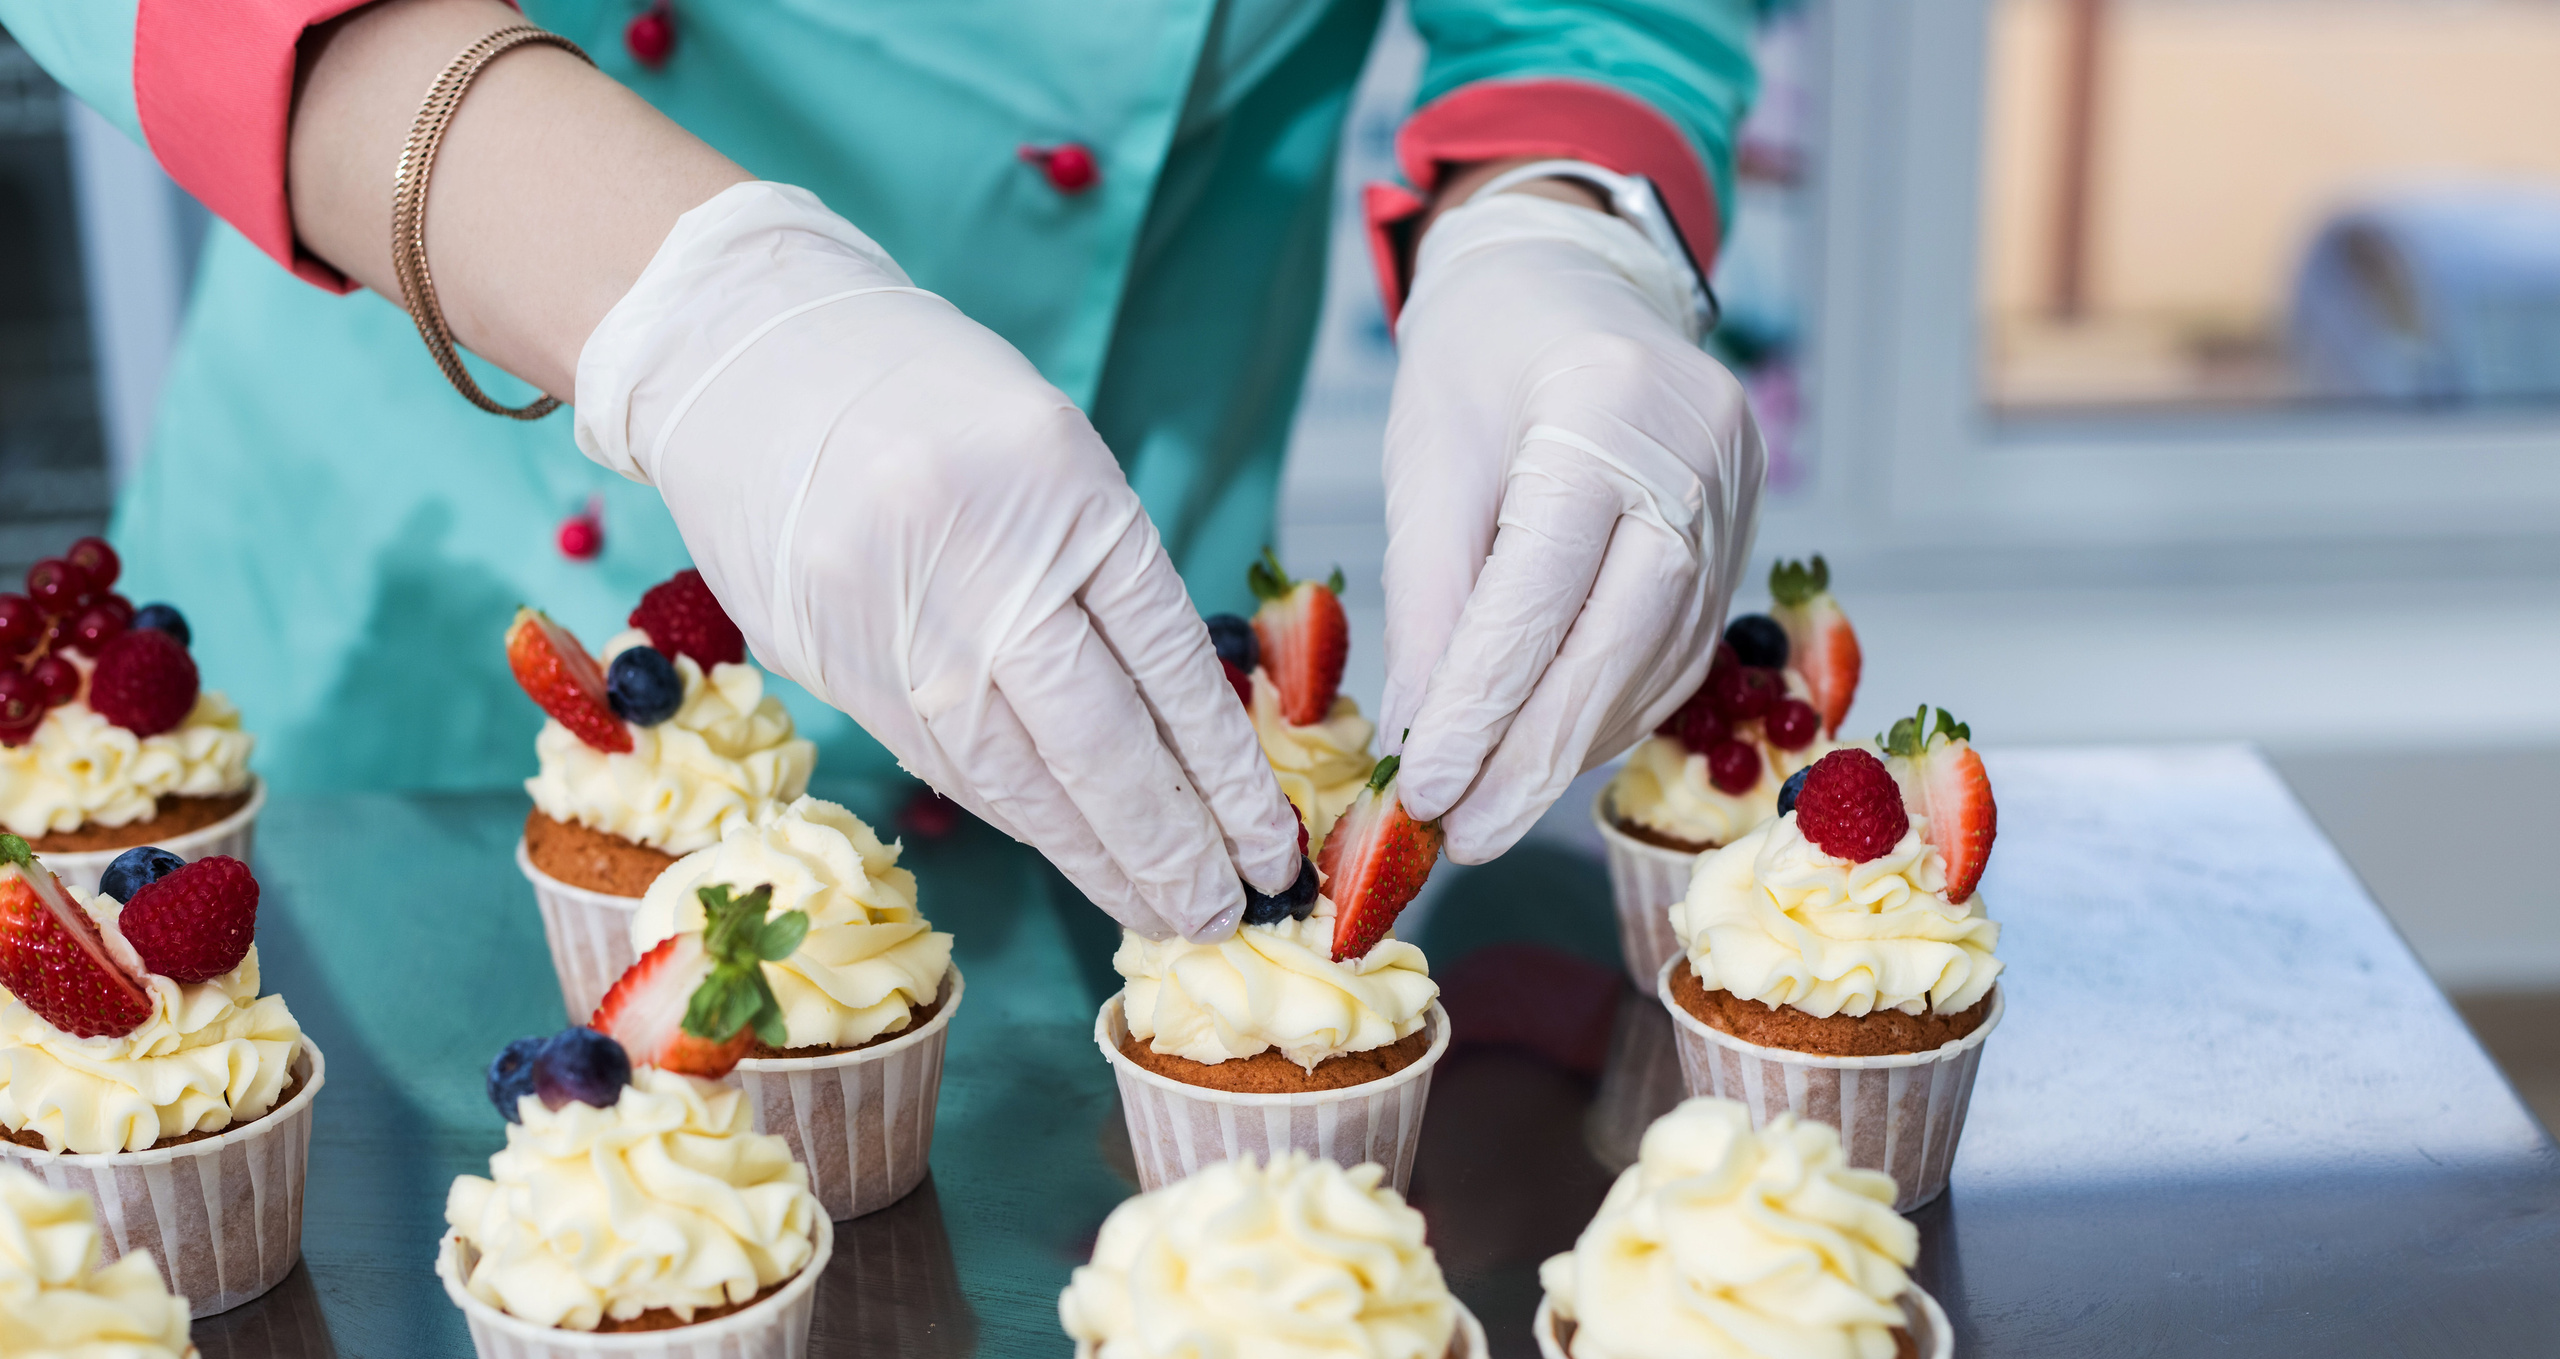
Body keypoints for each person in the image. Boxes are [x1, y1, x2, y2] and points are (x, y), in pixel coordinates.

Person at [1, 0, 1764, 941]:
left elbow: (1591, 22)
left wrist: (1563, 224)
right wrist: (700, 318)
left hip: (1107, 639)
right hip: (406, 567)